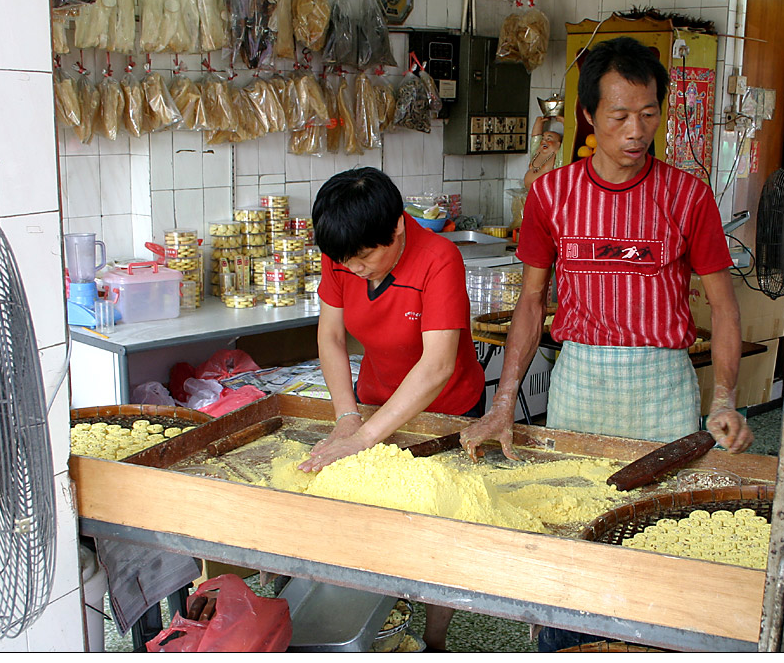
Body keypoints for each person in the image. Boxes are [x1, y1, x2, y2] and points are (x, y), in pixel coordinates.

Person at [458, 36, 754, 652]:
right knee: (574, 522)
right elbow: (533, 303)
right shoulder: (551, 196)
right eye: (619, 115)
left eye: (649, 114)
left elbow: (724, 308)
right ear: (589, 115)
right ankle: (566, 643)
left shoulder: (687, 195)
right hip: (582, 381)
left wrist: (724, 398)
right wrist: (505, 398)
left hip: (663, 384)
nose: (636, 130)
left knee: (661, 527)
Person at [297, 166, 485, 652]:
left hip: (447, 413)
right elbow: (332, 337)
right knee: (373, 518)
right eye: (346, 262)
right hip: (376, 400)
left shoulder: (439, 258)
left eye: (364, 260)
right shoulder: (343, 250)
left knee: (438, 530)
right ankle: (379, 626)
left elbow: (438, 365)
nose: (354, 270)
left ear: (398, 228)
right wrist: (347, 417)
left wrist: (361, 439)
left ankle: (435, 638)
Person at [524, 115, 565, 189]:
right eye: (543, 139)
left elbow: (568, 143)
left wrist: (565, 123)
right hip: (529, 193)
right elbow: (535, 139)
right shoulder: (537, 153)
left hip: (546, 194)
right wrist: (539, 123)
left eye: (549, 139)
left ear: (558, 144)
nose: (544, 141)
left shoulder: (556, 157)